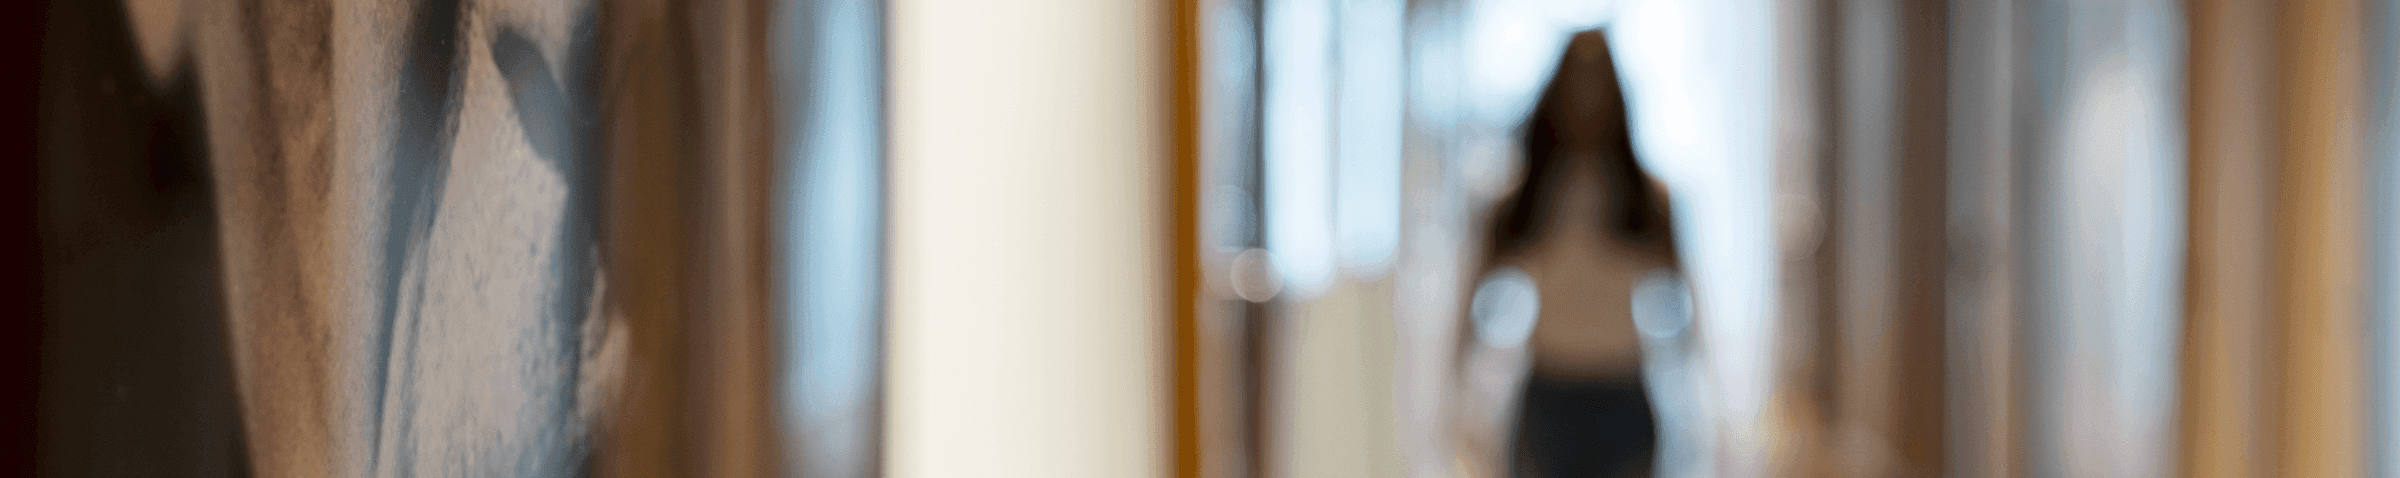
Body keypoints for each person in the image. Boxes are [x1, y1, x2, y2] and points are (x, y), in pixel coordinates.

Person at [1470, 29, 1683, 478]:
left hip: (1623, 394)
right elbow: (1468, 298)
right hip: (1550, 395)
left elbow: (1691, 311)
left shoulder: (1649, 198)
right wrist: (1459, 397)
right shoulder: (1523, 197)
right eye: (1578, 80)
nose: (1587, 96)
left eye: (1597, 80)